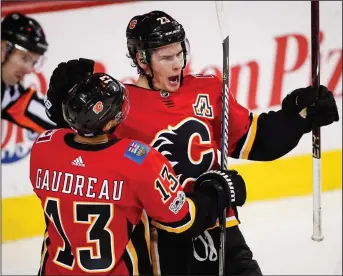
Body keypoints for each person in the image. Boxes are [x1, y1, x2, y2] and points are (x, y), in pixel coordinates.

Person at [44, 10, 339, 276]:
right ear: (141, 59)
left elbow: (256, 141)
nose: (177, 64)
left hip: (220, 227)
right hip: (161, 239)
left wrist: (298, 117)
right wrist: (60, 110)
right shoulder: (120, 106)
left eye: (180, 53)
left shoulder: (208, 89)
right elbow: (84, 152)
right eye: (166, 58)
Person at [30, 72, 243, 275]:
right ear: (110, 122)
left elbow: (74, 160)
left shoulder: (43, 148)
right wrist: (217, 193)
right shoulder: (138, 160)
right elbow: (181, 219)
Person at [1, 12, 55, 133]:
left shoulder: (9, 93)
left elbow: (28, 106)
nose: (29, 69)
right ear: (3, 48)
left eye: (34, 62)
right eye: (24, 58)